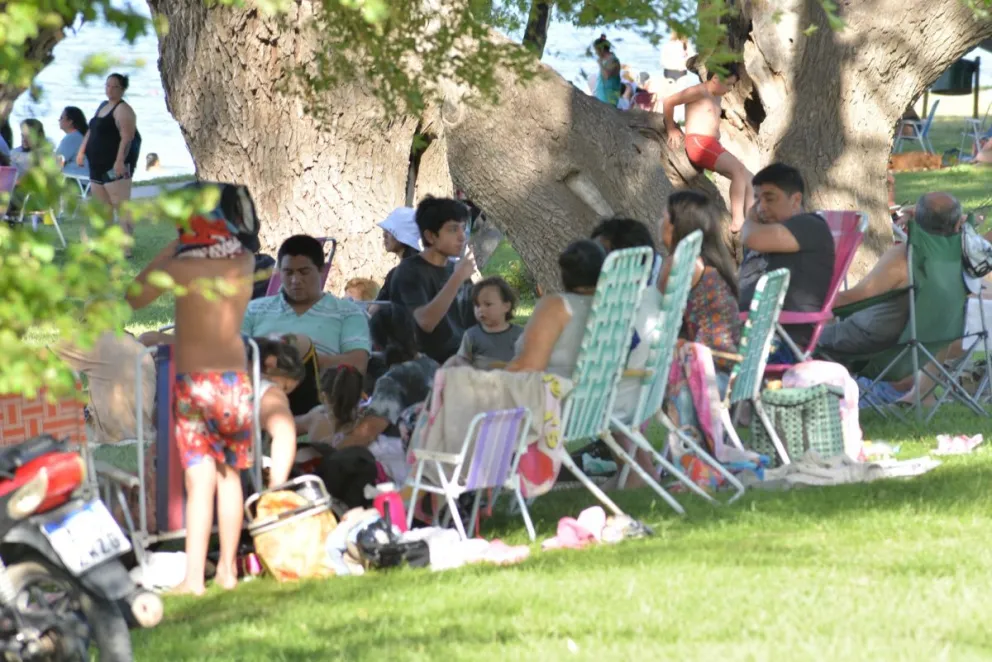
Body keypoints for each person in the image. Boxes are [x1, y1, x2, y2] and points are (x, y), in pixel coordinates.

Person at [125, 182, 259, 595]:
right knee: (230, 477)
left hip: (194, 382)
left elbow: (136, 297)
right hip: (235, 380)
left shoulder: (183, 264)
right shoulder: (244, 258)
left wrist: (172, 247)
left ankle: (193, 577)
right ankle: (227, 573)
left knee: (198, 480)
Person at [818, 193, 963, 360]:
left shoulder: (906, 256)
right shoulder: (961, 256)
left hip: (872, 339)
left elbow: (853, 298)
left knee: (792, 339)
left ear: (916, 220)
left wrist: (806, 304)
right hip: (923, 342)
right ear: (957, 224)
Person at [242, 234, 371, 415]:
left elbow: (357, 364)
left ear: (321, 271)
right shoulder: (254, 309)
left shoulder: (347, 312)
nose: (295, 280)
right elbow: (233, 356)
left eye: (303, 272)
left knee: (300, 344)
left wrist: (295, 362)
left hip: (319, 402)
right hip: (257, 397)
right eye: (288, 273)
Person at [739, 163, 834, 363]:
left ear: (795, 199)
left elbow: (753, 238)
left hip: (780, 341)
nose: (761, 207)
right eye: (757, 198)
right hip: (751, 330)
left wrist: (748, 220)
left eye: (770, 198)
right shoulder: (765, 230)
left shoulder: (809, 225)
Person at [336, 306, 439, 483]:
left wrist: (328, 455)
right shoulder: (433, 366)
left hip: (403, 463)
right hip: (433, 456)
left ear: (375, 343)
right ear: (413, 334)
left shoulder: (393, 380)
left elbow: (366, 433)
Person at [664, 63, 753, 233]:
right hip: (699, 144)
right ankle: (738, 221)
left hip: (713, 145)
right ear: (715, 78)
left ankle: (752, 217)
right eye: (728, 84)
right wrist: (671, 128)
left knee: (749, 177)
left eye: (732, 85)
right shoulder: (699, 91)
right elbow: (669, 102)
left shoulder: (717, 95)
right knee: (738, 169)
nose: (730, 89)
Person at [387, 196, 476, 364]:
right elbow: (426, 322)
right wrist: (457, 278)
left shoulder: (456, 271)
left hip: (461, 362)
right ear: (430, 236)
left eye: (463, 229)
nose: (462, 237)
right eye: (452, 229)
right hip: (421, 365)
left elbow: (475, 324)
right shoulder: (409, 272)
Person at [508, 240, 605, 376]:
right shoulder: (612, 308)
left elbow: (528, 367)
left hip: (551, 391)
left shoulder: (557, 306)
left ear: (564, 273)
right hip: (597, 392)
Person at [77, 73, 138, 249]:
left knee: (121, 205)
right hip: (96, 165)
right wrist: (81, 150)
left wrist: (119, 161)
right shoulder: (103, 106)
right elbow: (91, 130)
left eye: (114, 86)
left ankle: (126, 247)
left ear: (122, 89)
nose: (110, 90)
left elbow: (127, 137)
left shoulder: (123, 110)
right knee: (103, 208)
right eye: (107, 85)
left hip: (113, 165)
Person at [445, 276, 523, 370]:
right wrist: (472, 372)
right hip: (481, 382)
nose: (480, 309)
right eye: (477, 305)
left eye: (488, 304)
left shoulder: (520, 334)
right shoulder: (471, 335)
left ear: (506, 306)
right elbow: (461, 359)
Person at [56, 106, 89, 179]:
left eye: (61, 118)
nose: (59, 120)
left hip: (77, 180)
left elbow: (57, 163)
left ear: (70, 121)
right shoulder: (81, 136)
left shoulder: (72, 138)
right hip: (85, 178)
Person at [592, 34, 623, 106]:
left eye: (596, 50)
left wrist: (600, 64)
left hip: (609, 97)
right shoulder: (605, 60)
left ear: (602, 49)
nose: (596, 53)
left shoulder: (613, 60)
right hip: (602, 95)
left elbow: (606, 76)